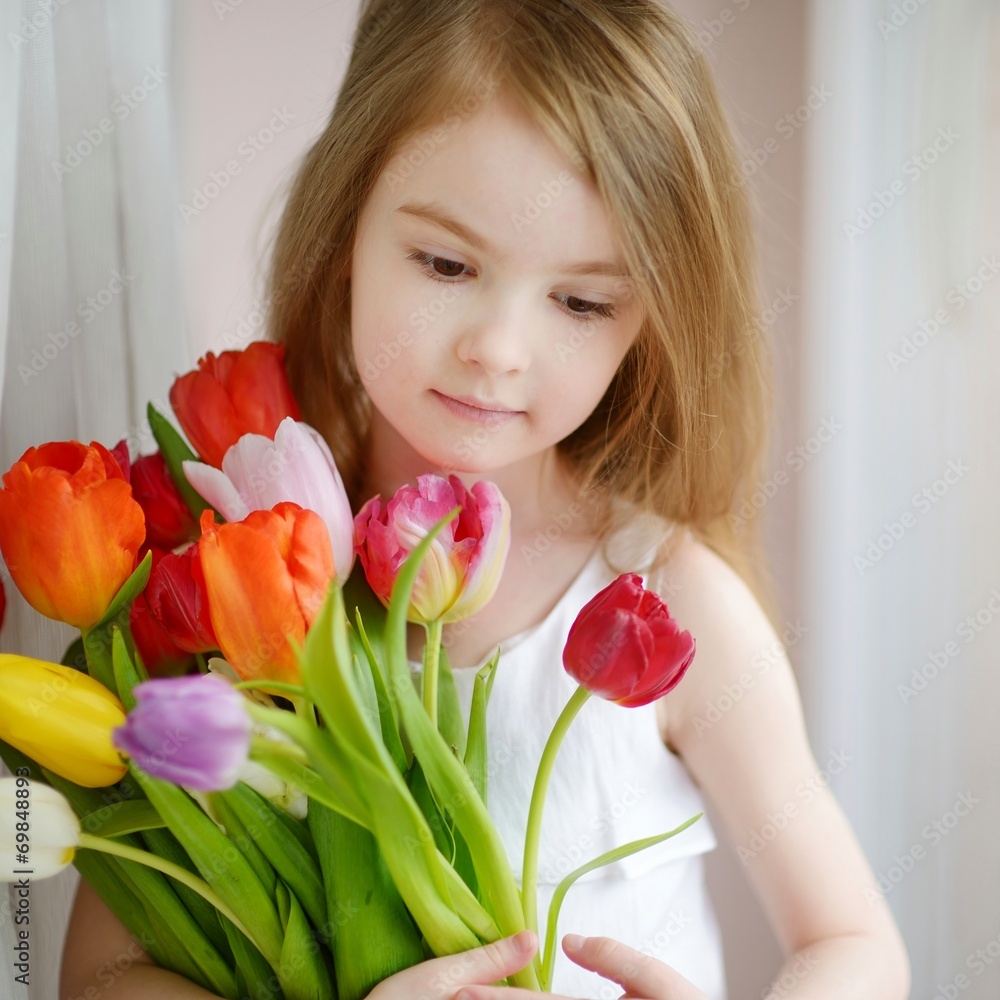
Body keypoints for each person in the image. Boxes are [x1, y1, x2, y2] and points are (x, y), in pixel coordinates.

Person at [61, 1, 911, 998]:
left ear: (648, 320)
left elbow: (852, 941)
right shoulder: (230, 585)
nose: (497, 348)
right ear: (345, 230)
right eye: (446, 264)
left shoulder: (668, 605)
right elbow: (100, 973)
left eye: (582, 301)